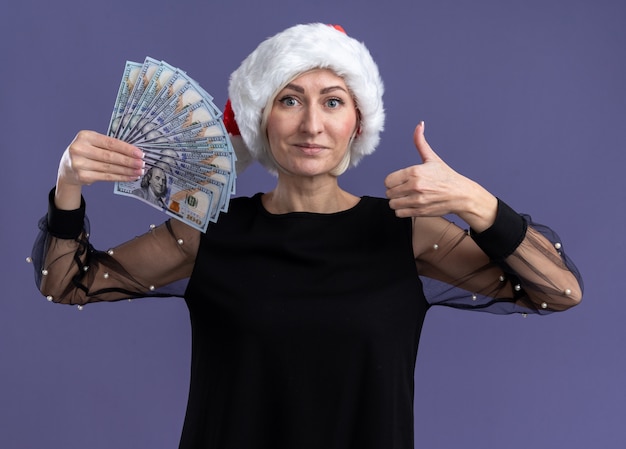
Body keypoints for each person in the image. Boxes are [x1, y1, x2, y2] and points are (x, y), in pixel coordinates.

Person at [30, 23, 583, 449]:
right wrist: (68, 185)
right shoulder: (211, 233)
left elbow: (558, 291)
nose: (311, 124)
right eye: (289, 99)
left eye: (333, 101)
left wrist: (477, 204)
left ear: (357, 123)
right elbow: (68, 282)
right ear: (261, 119)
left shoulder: (406, 234)